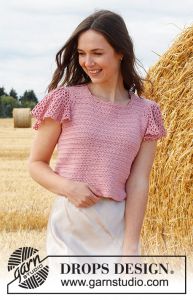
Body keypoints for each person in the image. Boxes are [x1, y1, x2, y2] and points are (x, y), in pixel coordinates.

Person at [28, 9, 167, 268]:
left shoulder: (147, 112)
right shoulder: (64, 99)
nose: (87, 62)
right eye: (82, 53)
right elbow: (35, 164)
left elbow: (138, 182)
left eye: (97, 53)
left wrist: (131, 247)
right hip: (70, 222)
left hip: (116, 224)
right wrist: (68, 187)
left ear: (121, 52)